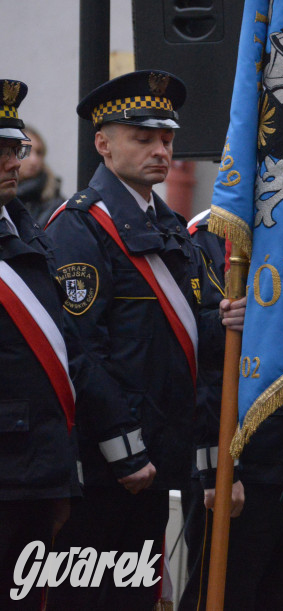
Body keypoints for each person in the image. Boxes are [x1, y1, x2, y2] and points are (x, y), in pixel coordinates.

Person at [46, 70, 245, 609]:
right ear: (103, 144)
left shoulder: (175, 229)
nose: (161, 150)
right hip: (108, 470)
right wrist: (125, 451)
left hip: (162, 460)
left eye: (166, 138)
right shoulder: (78, 228)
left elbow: (194, 349)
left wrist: (223, 320)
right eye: (143, 138)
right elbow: (80, 353)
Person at [178, 208, 283, 610]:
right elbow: (203, 361)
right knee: (222, 595)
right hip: (243, 461)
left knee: (281, 594)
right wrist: (218, 468)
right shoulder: (210, 233)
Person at [0, 80, 79, 610]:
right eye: (2, 151)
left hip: (32, 468)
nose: (14, 162)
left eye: (16, 148)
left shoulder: (28, 231)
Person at [15, 125, 65, 226]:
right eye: (25, 151)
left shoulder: (55, 205)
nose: (34, 160)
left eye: (38, 153)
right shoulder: (5, 200)